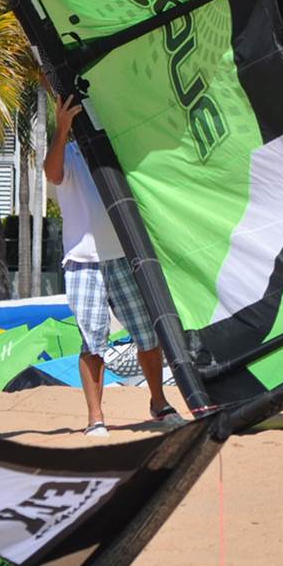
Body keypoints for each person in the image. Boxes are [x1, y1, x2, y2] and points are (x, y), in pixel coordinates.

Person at [44, 89, 185, 435]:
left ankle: (158, 403)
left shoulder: (119, 152)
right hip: (83, 262)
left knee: (147, 334)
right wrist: (62, 128)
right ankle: (95, 418)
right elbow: (51, 173)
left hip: (123, 257)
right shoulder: (71, 154)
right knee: (93, 341)